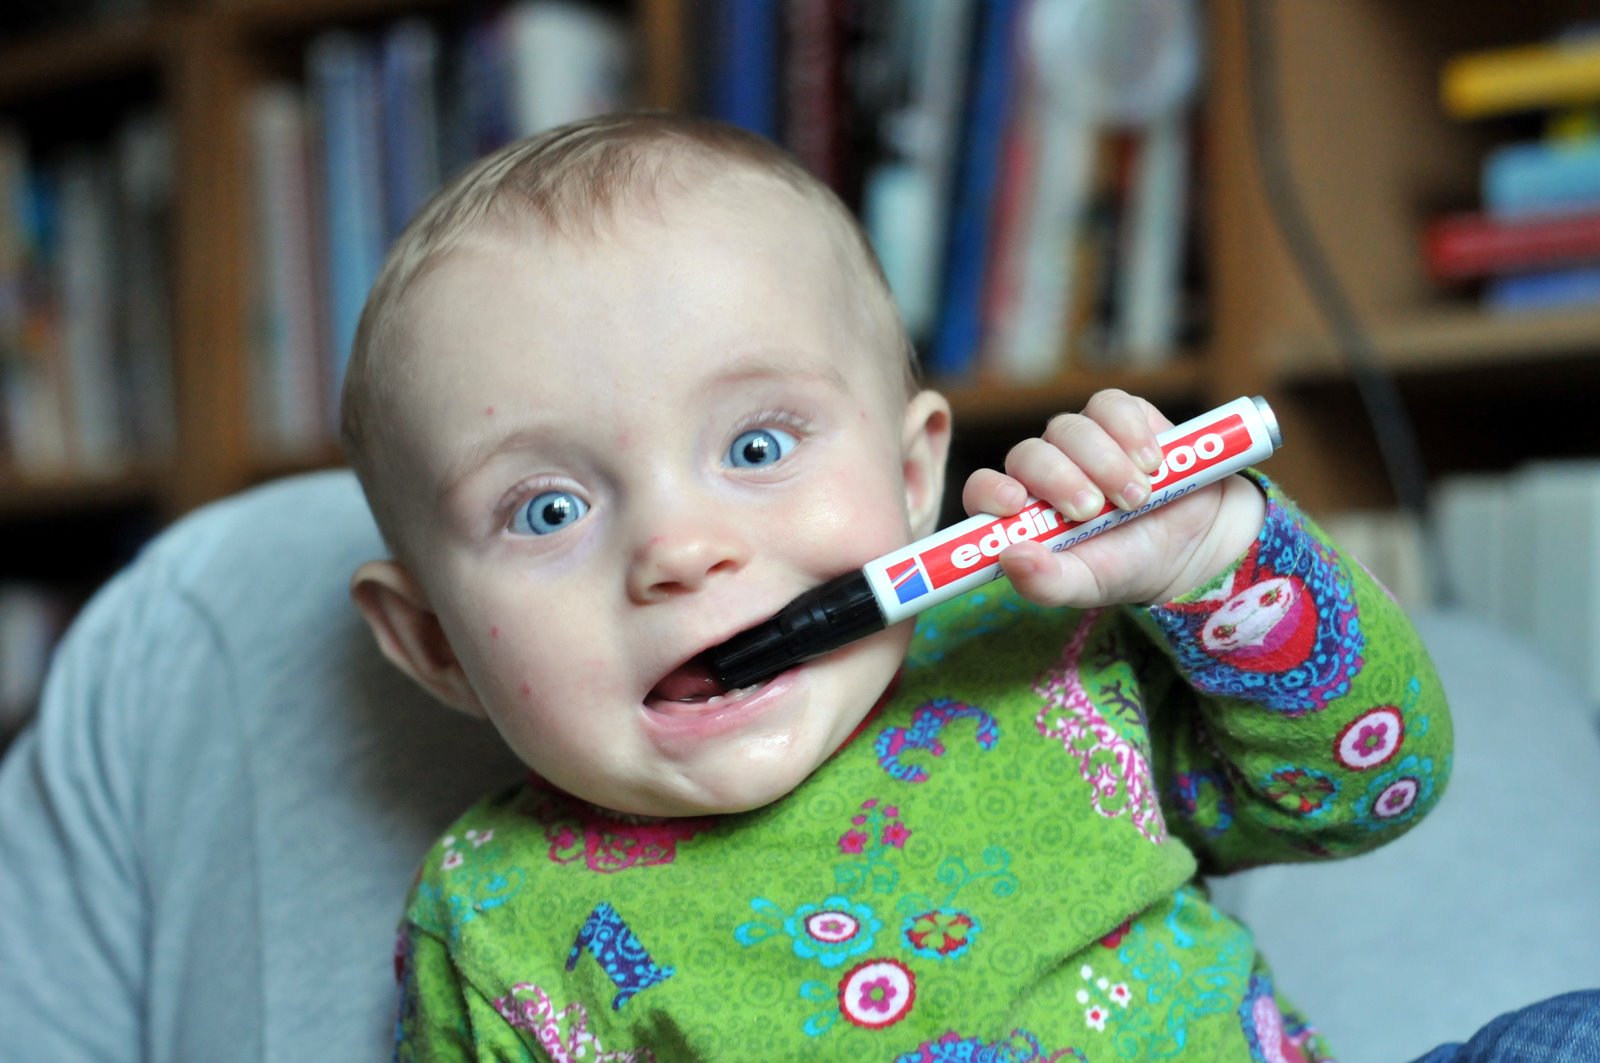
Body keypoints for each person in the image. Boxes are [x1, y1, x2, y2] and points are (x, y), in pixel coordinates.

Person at [340, 111, 1446, 1061]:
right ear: (433, 641)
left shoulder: (1046, 655)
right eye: (548, 509)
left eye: (758, 448)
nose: (678, 550)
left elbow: (1373, 791)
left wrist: (1213, 558)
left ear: (914, 479)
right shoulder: (493, 915)